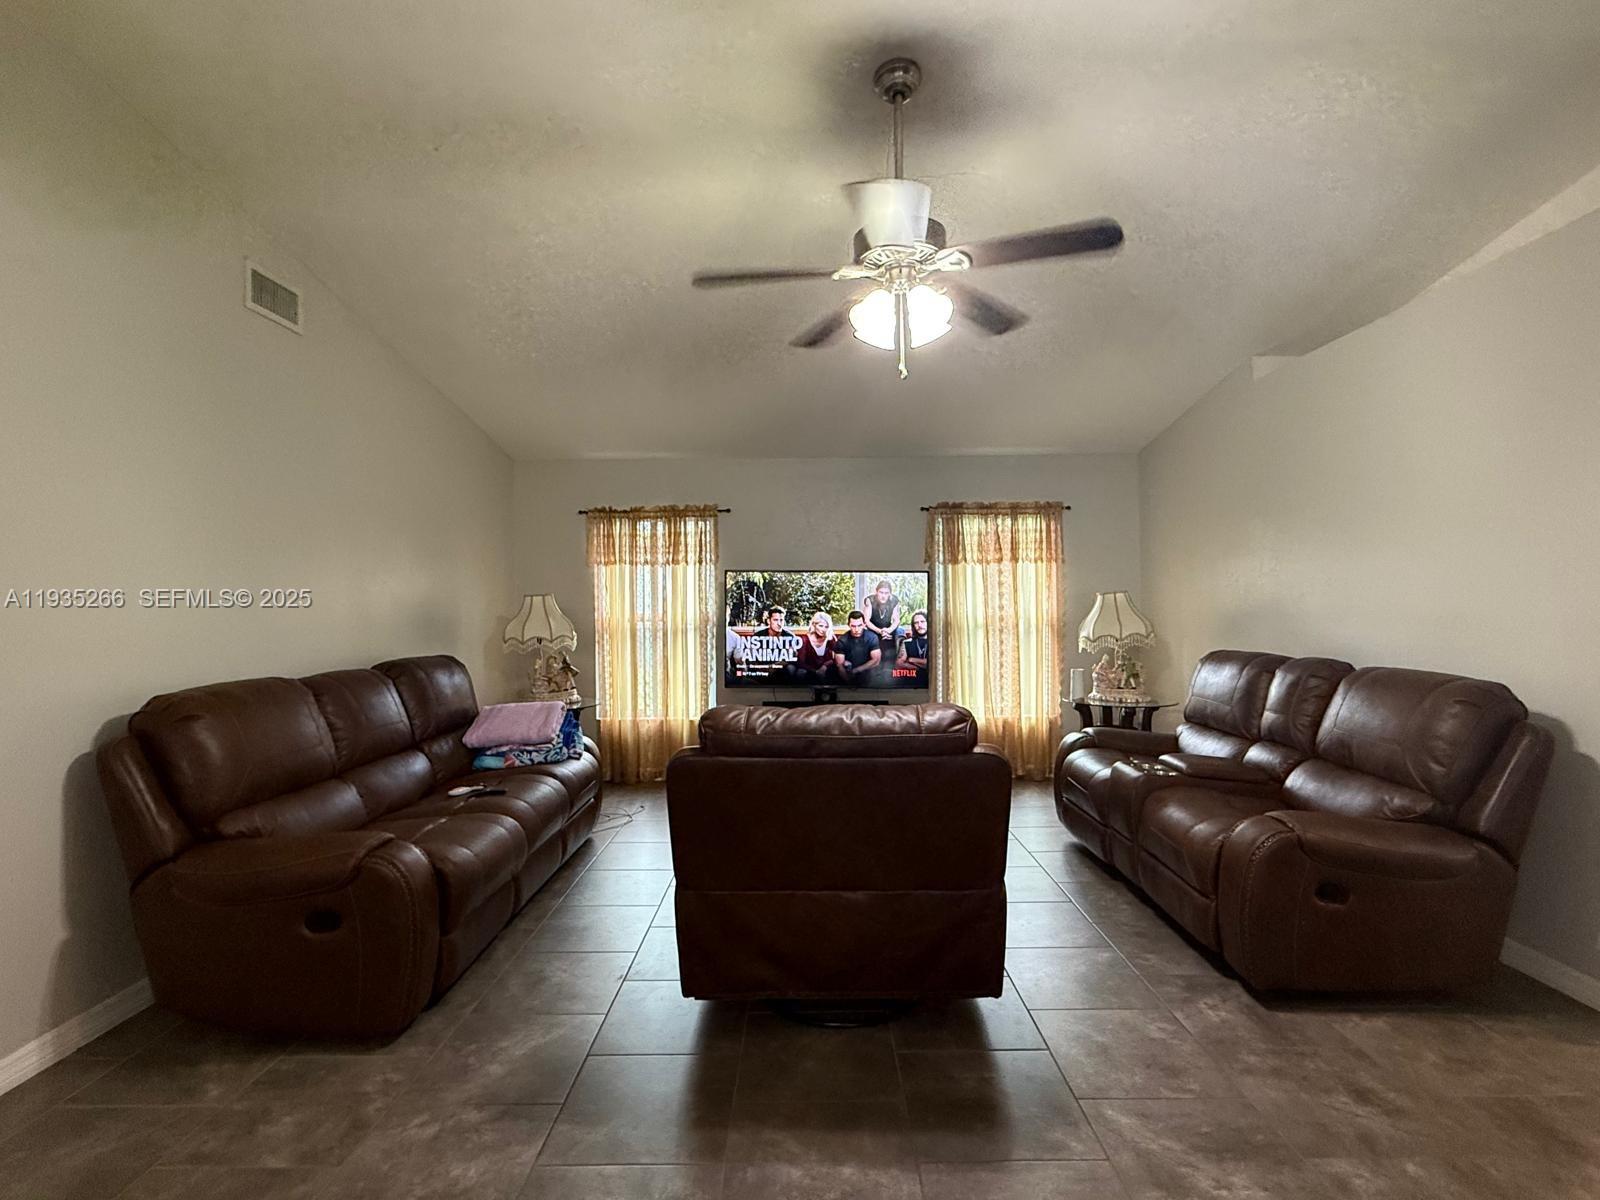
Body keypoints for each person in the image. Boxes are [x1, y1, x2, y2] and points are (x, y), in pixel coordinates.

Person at [790, 611, 841, 682]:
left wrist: (824, 666)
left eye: (826, 627)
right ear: (814, 625)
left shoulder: (831, 638)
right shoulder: (804, 639)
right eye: (821, 626)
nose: (823, 629)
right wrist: (816, 671)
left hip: (826, 671)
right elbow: (801, 662)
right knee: (801, 672)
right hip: (809, 671)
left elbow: (836, 659)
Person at [834, 610, 882, 683]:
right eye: (853, 626)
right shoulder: (842, 640)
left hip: (868, 674)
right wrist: (847, 681)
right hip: (848, 673)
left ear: (864, 624)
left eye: (859, 625)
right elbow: (839, 665)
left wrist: (856, 670)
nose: (856, 629)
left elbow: (876, 660)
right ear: (848, 625)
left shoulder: (872, 637)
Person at [862, 580, 902, 660]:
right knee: (872, 638)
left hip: (887, 629)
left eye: (886, 593)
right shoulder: (870, 600)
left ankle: (892, 662)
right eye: (881, 592)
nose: (883, 596)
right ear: (876, 592)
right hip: (872, 629)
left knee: (898, 633)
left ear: (890, 593)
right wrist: (880, 631)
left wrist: (888, 630)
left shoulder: (894, 600)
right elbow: (866, 621)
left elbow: (896, 620)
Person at [897, 609, 930, 686]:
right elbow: (899, 663)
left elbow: (934, 664)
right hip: (912, 684)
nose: (919, 625)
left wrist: (911, 660)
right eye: (916, 623)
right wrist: (918, 668)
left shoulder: (936, 642)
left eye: (922, 621)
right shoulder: (907, 643)